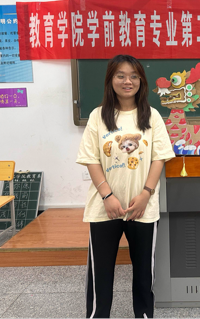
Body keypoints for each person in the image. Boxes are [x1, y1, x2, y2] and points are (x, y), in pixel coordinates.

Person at [77, 54, 175, 319]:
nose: (127, 81)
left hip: (142, 208)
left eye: (133, 76)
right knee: (100, 273)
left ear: (141, 81)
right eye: (120, 75)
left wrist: (146, 194)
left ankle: (143, 315)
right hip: (104, 207)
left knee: (144, 273)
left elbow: (159, 158)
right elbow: (90, 159)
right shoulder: (98, 116)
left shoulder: (152, 116)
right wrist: (107, 196)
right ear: (111, 80)